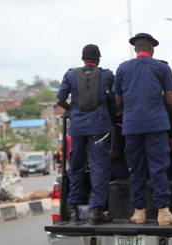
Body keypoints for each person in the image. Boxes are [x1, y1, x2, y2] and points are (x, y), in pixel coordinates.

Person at [113, 33, 172, 226]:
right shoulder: (162, 68)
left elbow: (118, 101)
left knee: (136, 169)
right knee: (158, 167)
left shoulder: (122, 69)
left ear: (136, 49)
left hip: (131, 126)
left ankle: (139, 212)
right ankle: (163, 212)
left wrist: (127, 113)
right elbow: (170, 100)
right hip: (155, 125)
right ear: (151, 49)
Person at [56, 44, 114, 224]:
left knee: (76, 167)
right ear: (98, 59)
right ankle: (96, 211)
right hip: (99, 128)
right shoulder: (106, 75)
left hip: (77, 128)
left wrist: (72, 110)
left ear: (83, 58)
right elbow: (118, 95)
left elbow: (60, 99)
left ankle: (73, 209)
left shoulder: (70, 74)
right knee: (99, 168)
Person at [109, 116, 130, 181]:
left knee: (100, 164)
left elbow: (114, 153)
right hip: (134, 168)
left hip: (124, 168)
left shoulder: (117, 128)